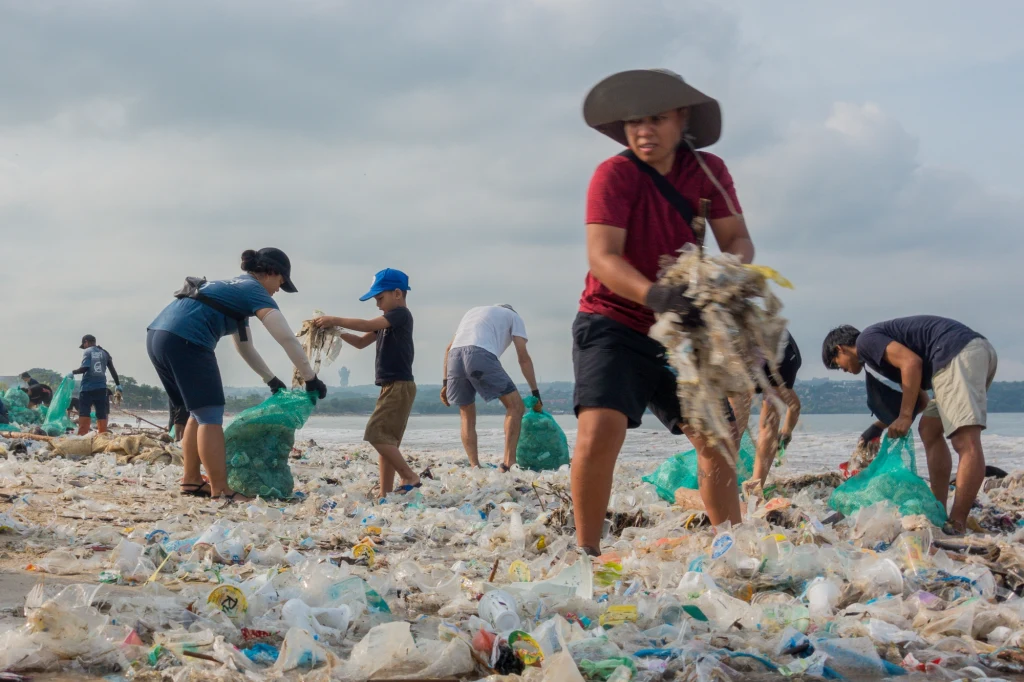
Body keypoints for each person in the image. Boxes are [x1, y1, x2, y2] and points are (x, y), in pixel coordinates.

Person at [572, 69, 755, 555]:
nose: (643, 130)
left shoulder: (708, 171)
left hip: (681, 332)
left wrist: (719, 280)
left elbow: (736, 239)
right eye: (634, 121)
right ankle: (586, 551)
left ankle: (729, 546)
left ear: (682, 118)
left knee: (716, 439)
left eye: (655, 118)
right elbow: (603, 256)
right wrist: (656, 295)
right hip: (612, 320)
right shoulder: (614, 175)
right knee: (600, 429)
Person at [147, 248, 327, 501]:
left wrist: (272, 380)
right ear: (271, 273)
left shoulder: (231, 290)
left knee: (197, 413)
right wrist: (311, 378)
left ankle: (191, 481)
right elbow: (286, 337)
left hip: (158, 336)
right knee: (210, 414)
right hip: (188, 340)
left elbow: (244, 346)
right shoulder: (253, 290)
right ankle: (221, 490)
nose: (278, 290)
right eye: (280, 283)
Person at [822, 316, 998, 533]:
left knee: (965, 440)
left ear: (841, 349)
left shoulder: (866, 342)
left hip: (958, 354)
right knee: (929, 429)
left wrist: (904, 417)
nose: (843, 370)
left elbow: (911, 363)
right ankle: (938, 510)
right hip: (967, 355)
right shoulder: (882, 356)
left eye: (836, 364)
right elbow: (921, 400)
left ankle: (958, 522)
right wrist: (879, 426)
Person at [313, 268, 420, 497]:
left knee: (375, 434)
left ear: (398, 294)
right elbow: (361, 342)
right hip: (391, 386)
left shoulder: (401, 315)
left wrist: (335, 319)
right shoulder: (386, 323)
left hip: (399, 385)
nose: (378, 304)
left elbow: (366, 325)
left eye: (380, 298)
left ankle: (409, 476)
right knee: (387, 443)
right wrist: (336, 331)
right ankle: (385, 492)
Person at [440, 305, 542, 470]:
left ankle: (475, 466)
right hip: (479, 354)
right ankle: (509, 463)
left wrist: (445, 383)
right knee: (516, 406)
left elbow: (448, 348)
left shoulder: (472, 312)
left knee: (466, 414)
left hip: (454, 357)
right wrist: (535, 392)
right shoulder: (514, 317)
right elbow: (523, 357)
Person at [730, 331, 802, 490]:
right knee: (739, 424)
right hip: (770, 350)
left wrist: (786, 432)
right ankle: (754, 488)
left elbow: (794, 406)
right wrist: (786, 432)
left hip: (778, 353)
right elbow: (794, 406)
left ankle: (751, 487)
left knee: (737, 424)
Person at [71, 335, 121, 435]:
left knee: (84, 412)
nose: (84, 347)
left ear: (86, 342)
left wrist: (72, 372)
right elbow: (112, 370)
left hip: (87, 389)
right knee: (101, 413)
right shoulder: (105, 353)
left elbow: (84, 368)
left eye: (84, 345)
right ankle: (103, 435)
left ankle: (82, 436)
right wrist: (118, 385)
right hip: (101, 388)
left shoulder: (88, 351)